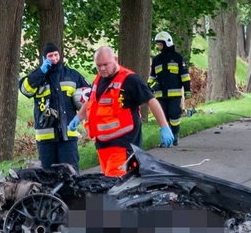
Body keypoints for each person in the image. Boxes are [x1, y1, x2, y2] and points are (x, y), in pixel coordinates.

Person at [68, 46, 175, 177]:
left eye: (105, 64)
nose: (102, 69)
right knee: (110, 185)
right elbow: (92, 101)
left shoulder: (130, 80)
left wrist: (164, 126)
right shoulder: (99, 79)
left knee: (117, 187)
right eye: (98, 65)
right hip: (103, 145)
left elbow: (151, 101)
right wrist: (78, 117)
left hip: (123, 146)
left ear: (115, 59)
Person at [19, 43, 90, 171]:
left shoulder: (72, 74)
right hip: (45, 138)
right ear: (44, 58)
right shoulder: (37, 76)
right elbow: (24, 89)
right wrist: (40, 72)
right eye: (50, 56)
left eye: (56, 55)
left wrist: (81, 114)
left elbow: (89, 95)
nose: (54, 58)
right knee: (48, 175)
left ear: (60, 55)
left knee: (70, 173)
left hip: (68, 135)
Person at [148, 31, 191, 146]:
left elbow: (184, 76)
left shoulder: (177, 58)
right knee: (163, 116)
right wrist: (147, 87)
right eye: (157, 44)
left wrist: (187, 90)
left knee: (174, 115)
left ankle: (175, 135)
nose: (158, 46)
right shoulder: (156, 59)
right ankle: (165, 139)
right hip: (160, 94)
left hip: (174, 94)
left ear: (167, 43)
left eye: (160, 44)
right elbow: (152, 76)